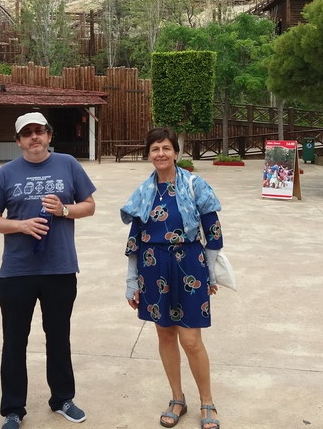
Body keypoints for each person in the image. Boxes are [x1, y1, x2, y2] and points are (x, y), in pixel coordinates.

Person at [0, 111, 96, 429]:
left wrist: (64, 209)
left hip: (60, 268)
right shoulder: (6, 173)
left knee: (58, 336)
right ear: (18, 141)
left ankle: (62, 399)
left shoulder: (68, 165)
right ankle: (13, 409)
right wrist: (20, 225)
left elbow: (89, 205)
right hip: (17, 271)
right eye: (27, 132)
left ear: (49, 136)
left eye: (40, 131)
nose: (34, 137)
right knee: (14, 341)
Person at [120, 127, 223, 429]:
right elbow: (135, 241)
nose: (161, 154)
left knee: (191, 340)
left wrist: (210, 273)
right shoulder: (144, 192)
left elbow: (214, 233)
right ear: (148, 155)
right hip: (153, 268)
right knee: (164, 334)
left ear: (176, 153)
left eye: (166, 148)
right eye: (155, 149)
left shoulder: (195, 185)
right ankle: (177, 399)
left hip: (190, 265)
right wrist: (131, 281)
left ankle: (207, 401)